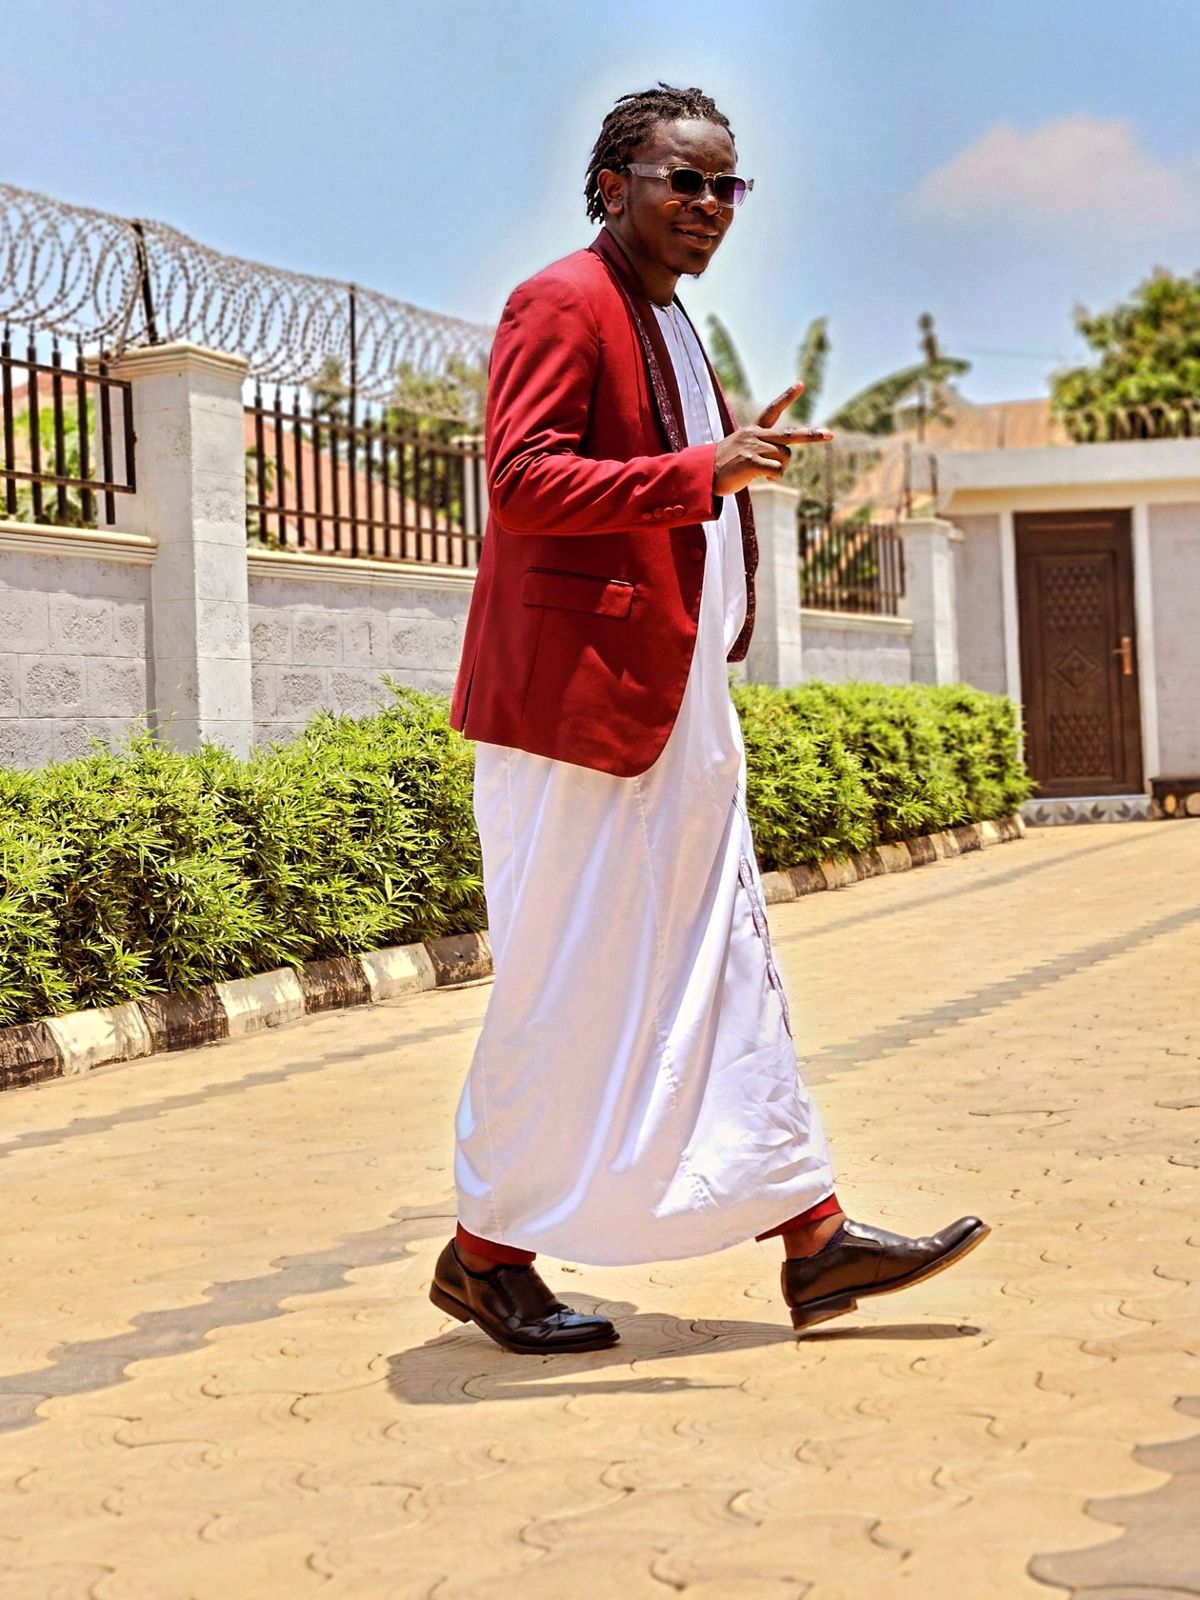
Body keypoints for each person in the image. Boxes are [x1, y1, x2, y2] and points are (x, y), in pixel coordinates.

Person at [430, 83, 988, 1354]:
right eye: (685, 180)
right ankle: (485, 1254)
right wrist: (704, 471)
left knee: (724, 967)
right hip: (579, 720)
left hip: (674, 706)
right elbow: (520, 482)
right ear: (614, 181)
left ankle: (813, 1233)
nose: (710, 207)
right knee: (570, 983)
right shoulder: (563, 301)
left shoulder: (675, 322)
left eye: (728, 187)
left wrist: (722, 464)